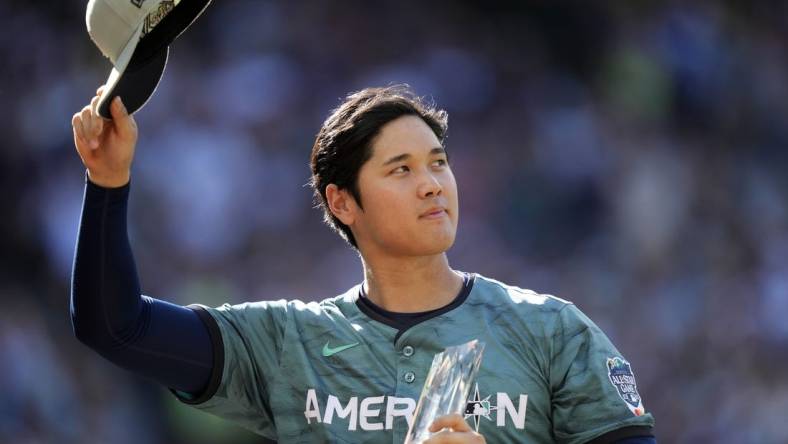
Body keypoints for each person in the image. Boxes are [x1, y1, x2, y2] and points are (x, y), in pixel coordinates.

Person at [70, 84, 657, 443]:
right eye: (400, 169)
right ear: (341, 202)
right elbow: (116, 327)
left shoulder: (552, 332)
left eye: (438, 162)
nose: (432, 185)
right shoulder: (287, 344)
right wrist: (108, 180)